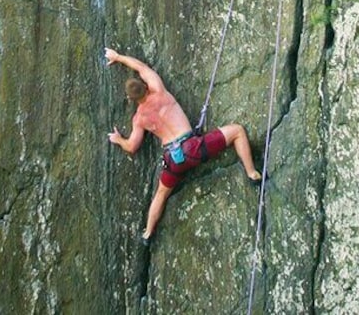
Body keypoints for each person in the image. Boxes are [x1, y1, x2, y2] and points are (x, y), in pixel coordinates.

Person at [104, 47, 263, 245]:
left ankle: (147, 233)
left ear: (132, 99)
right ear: (145, 85)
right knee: (237, 131)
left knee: (161, 193)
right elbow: (141, 66)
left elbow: (132, 147)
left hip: (173, 159)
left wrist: (119, 139)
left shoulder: (139, 119)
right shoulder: (158, 90)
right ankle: (252, 173)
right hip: (193, 148)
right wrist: (118, 57)